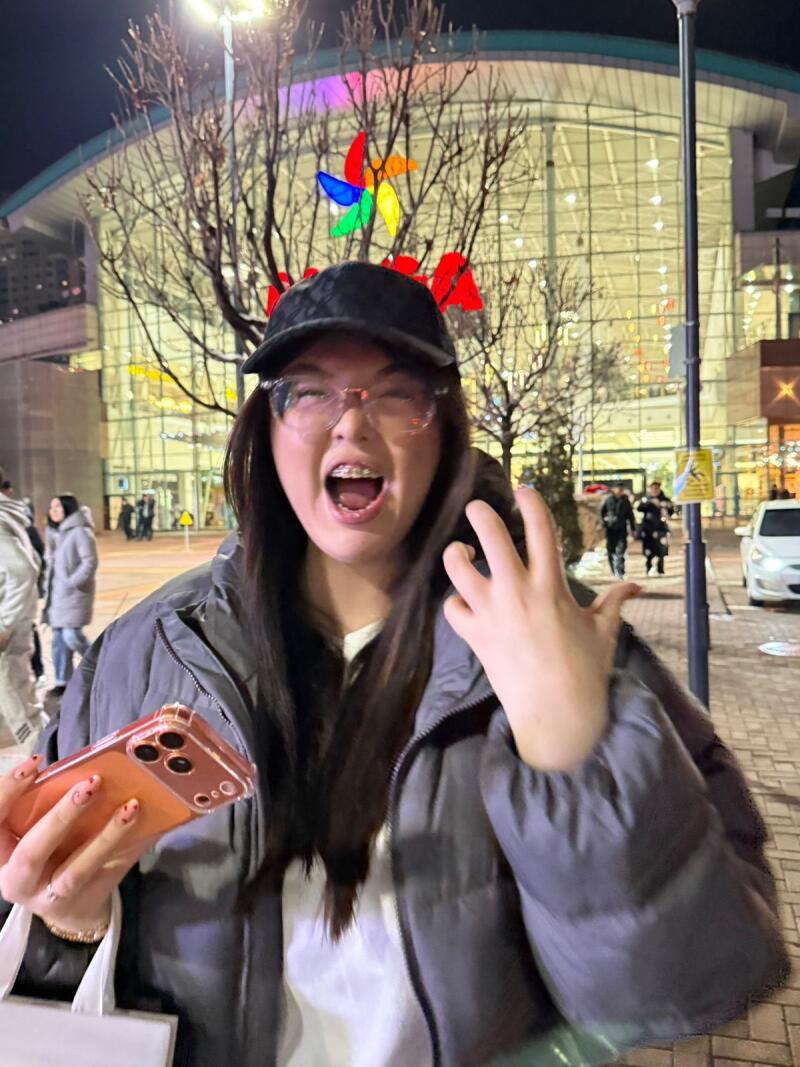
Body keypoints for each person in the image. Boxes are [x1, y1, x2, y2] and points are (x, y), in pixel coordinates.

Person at [0, 264, 787, 1067]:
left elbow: (687, 984)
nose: (351, 424)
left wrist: (575, 745)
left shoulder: (561, 637)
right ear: (265, 430)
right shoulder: (147, 650)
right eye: (308, 390)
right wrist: (67, 923)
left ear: (443, 429)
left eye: (397, 391)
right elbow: (52, 966)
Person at [0, 465, 42, 751]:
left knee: (22, 712)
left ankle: (51, 767)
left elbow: (23, 571)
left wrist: (4, 624)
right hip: (15, 626)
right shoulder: (11, 516)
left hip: (6, 636)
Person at [42, 494, 98, 699]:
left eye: (58, 507)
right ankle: (62, 681)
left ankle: (99, 661)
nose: (53, 510)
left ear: (68, 508)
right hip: (57, 596)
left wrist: (73, 582)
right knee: (58, 640)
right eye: (51, 507)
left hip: (74, 595)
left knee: (71, 636)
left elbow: (89, 562)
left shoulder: (80, 532)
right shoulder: (54, 534)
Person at [637, 481, 674, 577]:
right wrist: (650, 503)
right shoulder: (646, 499)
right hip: (648, 529)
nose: (654, 490)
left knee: (661, 550)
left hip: (661, 529)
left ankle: (660, 570)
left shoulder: (665, 499)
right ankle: (649, 568)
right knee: (648, 551)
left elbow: (671, 511)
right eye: (652, 488)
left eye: (656, 488)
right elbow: (639, 508)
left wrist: (662, 506)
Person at [600, 482, 636, 578]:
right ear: (614, 489)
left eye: (621, 489)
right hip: (610, 529)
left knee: (621, 550)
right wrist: (604, 523)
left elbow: (630, 515)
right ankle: (613, 570)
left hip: (622, 529)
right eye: (618, 489)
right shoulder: (608, 499)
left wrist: (633, 528)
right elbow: (601, 512)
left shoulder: (625, 501)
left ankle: (620, 571)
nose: (620, 491)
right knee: (610, 550)